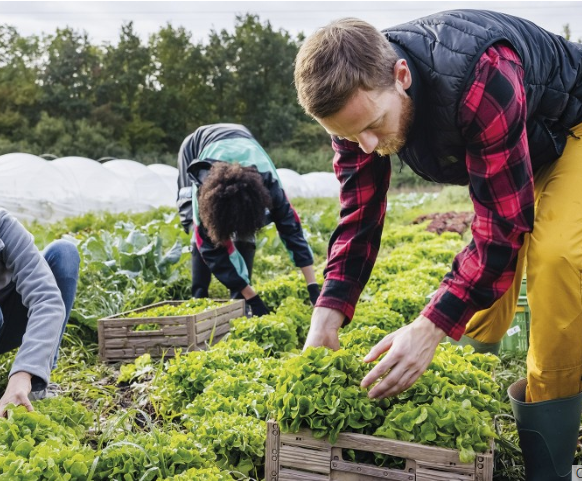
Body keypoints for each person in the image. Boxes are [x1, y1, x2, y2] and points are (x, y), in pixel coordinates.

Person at [294, 10, 582, 480]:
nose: (365, 146)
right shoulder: (357, 107)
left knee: (556, 258)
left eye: (372, 125)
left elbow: (502, 228)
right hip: (515, 145)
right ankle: (476, 385)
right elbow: (359, 217)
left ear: (401, 76)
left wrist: (429, 326)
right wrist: (327, 313)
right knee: (482, 286)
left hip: (570, 127)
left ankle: (550, 461)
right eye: (348, 136)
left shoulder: (481, 74)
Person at [176, 123, 319, 315]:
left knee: (245, 234)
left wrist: (313, 287)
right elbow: (208, 246)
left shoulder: (269, 182)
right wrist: (254, 297)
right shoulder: (204, 189)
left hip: (244, 139)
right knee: (202, 235)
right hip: (195, 148)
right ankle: (199, 297)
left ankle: (240, 299)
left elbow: (291, 230)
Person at [0, 205, 79, 422]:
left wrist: (22, 374)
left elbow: (45, 297)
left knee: (64, 253)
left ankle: (36, 383)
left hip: (13, 319)